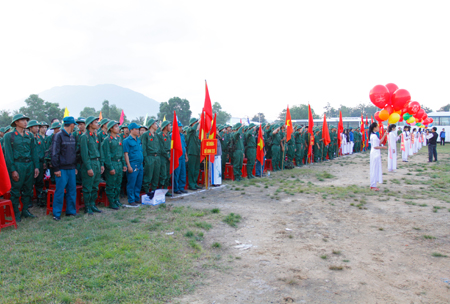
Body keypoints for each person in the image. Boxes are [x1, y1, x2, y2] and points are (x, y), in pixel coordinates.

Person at [3, 114, 40, 221]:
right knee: (15, 190)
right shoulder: (9, 136)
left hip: (29, 164)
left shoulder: (29, 135)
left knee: (28, 189)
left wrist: (36, 167)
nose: (25, 122)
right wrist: (13, 170)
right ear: (16, 122)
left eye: (26, 120)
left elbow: (34, 152)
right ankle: (16, 212)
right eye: (22, 120)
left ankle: (25, 210)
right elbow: (8, 155)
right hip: (18, 165)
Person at [51, 116, 78, 221]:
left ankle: (71, 211)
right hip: (61, 169)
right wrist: (56, 168)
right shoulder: (58, 136)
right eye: (74, 125)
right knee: (60, 191)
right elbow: (54, 153)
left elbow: (73, 153)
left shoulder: (72, 136)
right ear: (71, 125)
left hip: (71, 168)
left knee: (72, 190)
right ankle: (56, 213)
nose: (74, 126)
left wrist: (74, 166)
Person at [80, 116, 104, 215]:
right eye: (95, 122)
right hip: (89, 163)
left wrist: (101, 164)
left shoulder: (96, 136)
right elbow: (84, 154)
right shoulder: (84, 137)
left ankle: (93, 204)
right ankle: (87, 206)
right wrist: (89, 168)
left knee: (95, 186)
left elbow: (100, 150)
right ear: (90, 124)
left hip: (97, 162)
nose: (98, 124)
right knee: (88, 187)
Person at [102, 120, 126, 210]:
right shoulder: (107, 140)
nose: (118, 128)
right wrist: (110, 167)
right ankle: (111, 202)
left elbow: (122, 152)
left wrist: (124, 164)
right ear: (111, 128)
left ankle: (116, 199)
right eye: (116, 126)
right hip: (112, 163)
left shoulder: (119, 138)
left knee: (118, 183)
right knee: (111, 184)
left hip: (119, 163)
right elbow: (107, 155)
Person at [123, 123, 144, 206]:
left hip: (140, 164)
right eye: (136, 129)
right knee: (132, 182)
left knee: (138, 182)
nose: (138, 130)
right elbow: (126, 154)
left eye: (138, 129)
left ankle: (136, 197)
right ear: (131, 130)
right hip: (133, 164)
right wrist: (128, 166)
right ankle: (131, 199)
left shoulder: (138, 140)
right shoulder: (126, 141)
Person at [28, 120, 46, 207]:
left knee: (40, 182)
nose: (37, 128)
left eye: (37, 126)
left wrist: (44, 162)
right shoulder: (28, 137)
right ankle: (29, 201)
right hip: (31, 163)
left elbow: (43, 150)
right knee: (30, 182)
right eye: (35, 126)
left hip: (40, 162)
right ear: (30, 128)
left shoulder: (39, 137)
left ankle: (40, 199)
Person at [141, 119, 161, 192]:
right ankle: (146, 192)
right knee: (148, 176)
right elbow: (144, 147)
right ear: (152, 125)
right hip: (149, 157)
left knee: (156, 176)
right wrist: (146, 159)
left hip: (157, 157)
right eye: (155, 124)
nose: (157, 125)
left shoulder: (156, 135)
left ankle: (154, 191)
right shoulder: (145, 135)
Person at [369, 122, 388, 191]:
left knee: (376, 168)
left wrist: (384, 135)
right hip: (375, 153)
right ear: (374, 128)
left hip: (376, 153)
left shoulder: (375, 135)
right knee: (374, 168)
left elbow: (379, 142)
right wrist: (383, 148)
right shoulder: (373, 136)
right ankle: (373, 185)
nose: (378, 128)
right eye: (377, 127)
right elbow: (375, 146)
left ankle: (374, 184)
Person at [186, 118, 201, 190]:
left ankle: (195, 183)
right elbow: (193, 129)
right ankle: (191, 184)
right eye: (195, 123)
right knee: (191, 170)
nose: (198, 125)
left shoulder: (197, 132)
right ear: (192, 124)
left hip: (197, 153)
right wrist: (198, 123)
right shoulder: (189, 130)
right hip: (191, 153)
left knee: (196, 169)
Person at [173, 121, 188, 194]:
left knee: (183, 172)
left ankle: (181, 187)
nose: (181, 128)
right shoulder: (172, 135)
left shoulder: (182, 135)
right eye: (179, 127)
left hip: (182, 156)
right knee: (176, 173)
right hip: (177, 156)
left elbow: (184, 146)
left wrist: (186, 155)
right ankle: (176, 188)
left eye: (181, 127)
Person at [158, 120, 172, 196]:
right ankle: (160, 190)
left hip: (168, 157)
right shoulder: (160, 135)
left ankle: (165, 190)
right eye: (169, 125)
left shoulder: (168, 135)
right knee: (163, 175)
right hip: (163, 158)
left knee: (168, 174)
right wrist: (167, 156)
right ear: (165, 127)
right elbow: (162, 148)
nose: (170, 127)